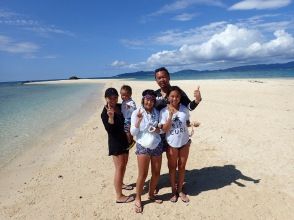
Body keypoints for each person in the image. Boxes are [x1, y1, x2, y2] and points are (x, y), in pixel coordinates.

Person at [130, 89, 164, 213]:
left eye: (151, 100)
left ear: (154, 101)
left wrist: (157, 130)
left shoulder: (157, 112)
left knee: (156, 173)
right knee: (143, 174)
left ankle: (151, 194)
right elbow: (133, 133)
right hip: (142, 146)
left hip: (157, 145)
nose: (149, 102)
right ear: (143, 99)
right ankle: (138, 198)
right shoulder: (136, 112)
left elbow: (162, 129)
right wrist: (138, 122)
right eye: (147, 99)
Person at [101, 87, 134, 203]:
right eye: (111, 98)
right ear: (106, 98)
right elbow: (109, 129)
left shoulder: (120, 106)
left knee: (123, 165)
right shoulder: (105, 112)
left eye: (115, 97)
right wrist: (110, 117)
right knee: (119, 168)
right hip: (116, 143)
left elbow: (130, 113)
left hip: (125, 140)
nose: (113, 100)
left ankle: (121, 183)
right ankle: (119, 196)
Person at [160, 86, 191, 203]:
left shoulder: (184, 109)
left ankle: (180, 190)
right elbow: (164, 129)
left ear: (180, 97)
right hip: (171, 143)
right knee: (172, 168)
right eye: (172, 96)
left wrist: (191, 124)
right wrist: (170, 115)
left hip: (184, 142)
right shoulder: (163, 111)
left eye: (177, 96)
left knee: (182, 167)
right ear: (168, 97)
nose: (175, 98)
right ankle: (174, 191)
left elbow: (186, 122)